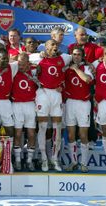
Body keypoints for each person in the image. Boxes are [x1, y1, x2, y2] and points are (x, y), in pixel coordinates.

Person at [31, 39, 72, 172]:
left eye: (56, 45)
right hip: (43, 93)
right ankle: (44, 158)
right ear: (45, 47)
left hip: (56, 94)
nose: (55, 46)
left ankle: (54, 159)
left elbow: (77, 58)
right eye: (52, 45)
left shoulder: (63, 58)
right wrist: (40, 54)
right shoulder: (38, 58)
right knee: (42, 127)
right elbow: (24, 57)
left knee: (57, 128)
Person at [64, 48, 93, 173]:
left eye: (78, 55)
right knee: (70, 135)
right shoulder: (67, 69)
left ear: (83, 56)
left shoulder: (87, 68)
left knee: (83, 135)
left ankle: (84, 163)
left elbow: (87, 79)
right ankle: (74, 161)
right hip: (70, 102)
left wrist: (76, 69)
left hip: (83, 104)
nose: (76, 57)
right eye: (74, 54)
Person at [12, 52, 38, 171]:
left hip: (30, 105)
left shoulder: (33, 71)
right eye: (19, 63)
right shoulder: (14, 70)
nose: (20, 66)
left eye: (23, 64)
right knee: (17, 133)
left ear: (28, 63)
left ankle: (29, 160)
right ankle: (18, 160)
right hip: (17, 105)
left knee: (31, 134)